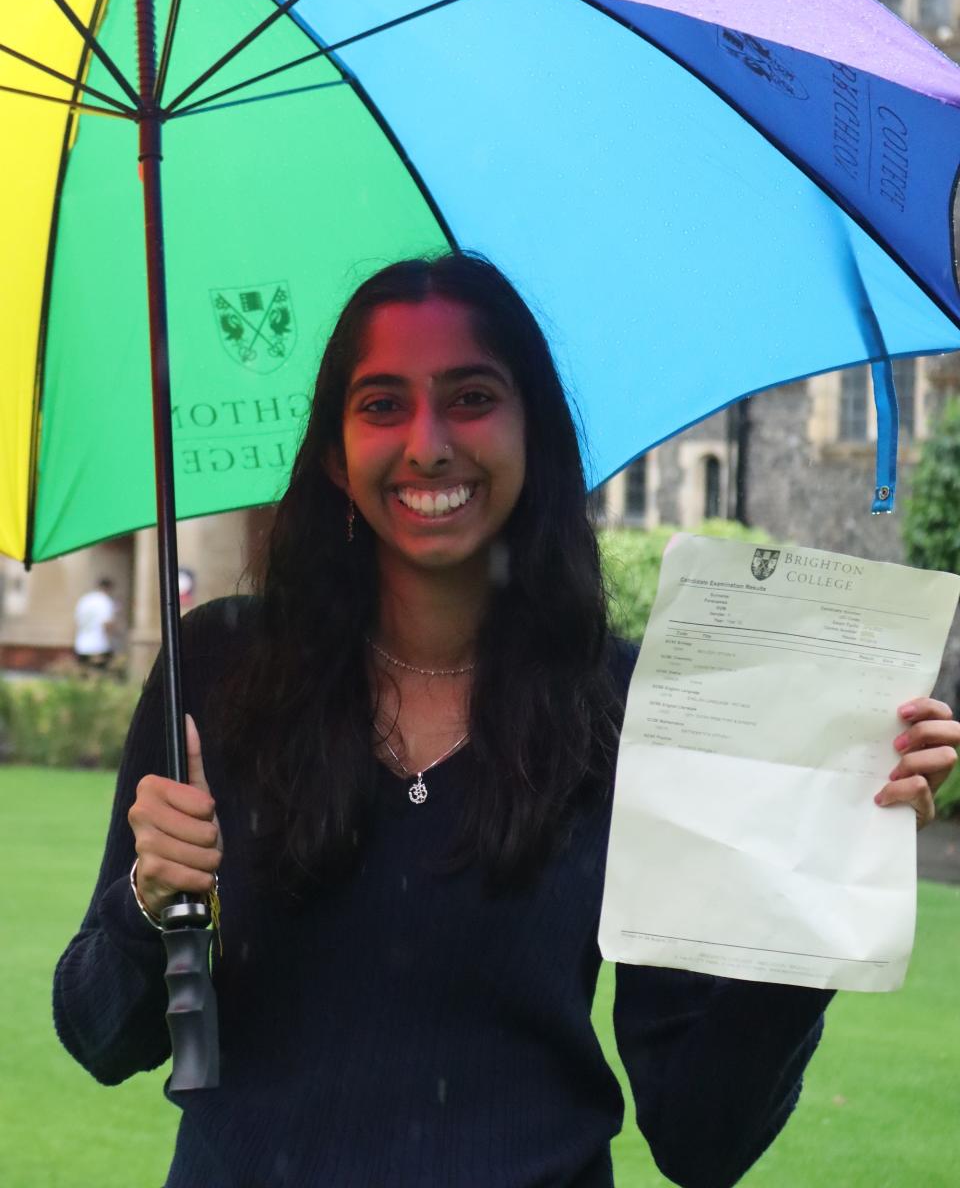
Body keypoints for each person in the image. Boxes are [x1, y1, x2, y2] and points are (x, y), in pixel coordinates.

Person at [54, 255, 959, 1188]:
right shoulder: (222, 671)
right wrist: (146, 901)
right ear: (334, 451)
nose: (429, 442)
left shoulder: (624, 711)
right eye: (381, 404)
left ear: (535, 432)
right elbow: (99, 1033)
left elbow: (701, 1137)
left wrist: (820, 891)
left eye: (472, 396)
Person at [72, 576, 116, 674]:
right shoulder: (104, 601)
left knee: (83, 676)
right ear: (108, 588)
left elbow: (77, 620)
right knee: (98, 675)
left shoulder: (85, 600)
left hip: (81, 644)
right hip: (99, 645)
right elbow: (107, 624)